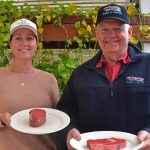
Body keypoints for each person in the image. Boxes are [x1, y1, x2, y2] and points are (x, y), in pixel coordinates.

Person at [57, 3, 150, 150]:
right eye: (104, 29)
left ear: (130, 32)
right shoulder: (81, 74)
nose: (111, 35)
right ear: (97, 33)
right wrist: (68, 131)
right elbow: (65, 112)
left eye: (118, 29)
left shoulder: (148, 65)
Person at [0, 18, 59, 150]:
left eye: (30, 38)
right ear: (10, 43)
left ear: (36, 44)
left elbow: (58, 119)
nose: (24, 43)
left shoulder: (49, 79)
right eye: (18, 38)